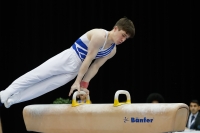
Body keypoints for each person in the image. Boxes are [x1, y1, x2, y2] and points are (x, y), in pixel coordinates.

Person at [0, 17, 135, 108]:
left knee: (45, 87)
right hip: (69, 58)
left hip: (76, 70)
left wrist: (83, 85)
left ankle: (11, 101)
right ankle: (5, 93)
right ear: (116, 28)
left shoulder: (112, 51)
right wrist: (77, 81)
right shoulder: (100, 35)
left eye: (126, 38)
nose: (123, 39)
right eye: (123, 35)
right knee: (36, 75)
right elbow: (88, 58)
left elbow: (95, 66)